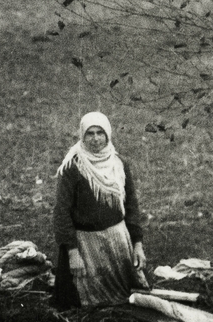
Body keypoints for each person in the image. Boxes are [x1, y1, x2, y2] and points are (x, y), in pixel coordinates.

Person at [51, 111, 146, 309]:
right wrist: (72, 252)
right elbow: (62, 212)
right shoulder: (72, 167)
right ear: (82, 136)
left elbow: (131, 206)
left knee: (128, 297)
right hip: (85, 244)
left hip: (117, 241)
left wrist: (137, 244)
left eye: (100, 133)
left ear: (108, 135)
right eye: (90, 134)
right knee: (80, 302)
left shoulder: (119, 165)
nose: (95, 139)